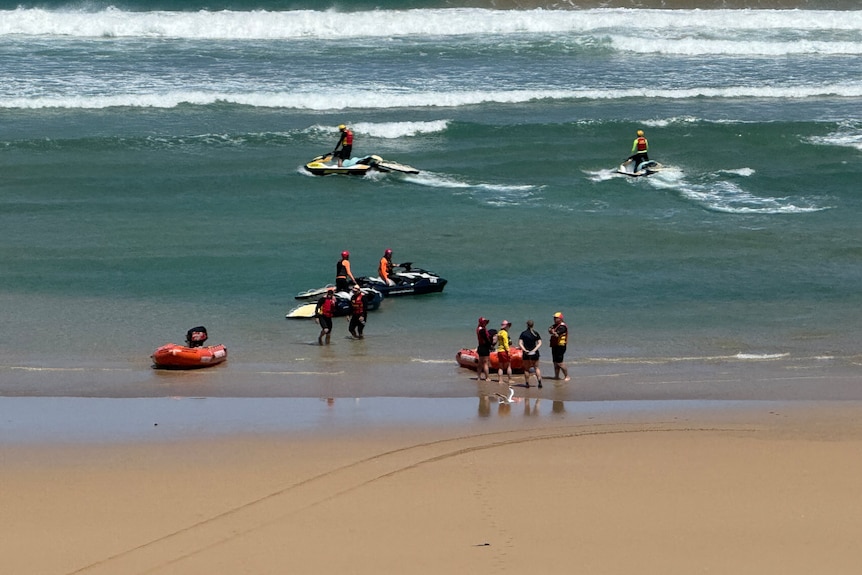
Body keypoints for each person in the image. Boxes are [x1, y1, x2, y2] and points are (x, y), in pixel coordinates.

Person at [518, 319, 542, 388]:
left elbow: (520, 343)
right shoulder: (535, 333)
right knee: (536, 368)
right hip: (534, 353)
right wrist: (534, 349)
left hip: (526, 353)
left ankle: (527, 383)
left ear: (527, 325)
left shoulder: (523, 333)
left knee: (526, 369)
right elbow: (540, 343)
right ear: (533, 325)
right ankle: (539, 382)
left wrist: (524, 350)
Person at [548, 312, 571, 382]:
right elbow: (549, 329)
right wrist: (551, 330)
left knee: (560, 362)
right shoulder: (555, 325)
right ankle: (556, 376)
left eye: (556, 318)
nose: (554, 319)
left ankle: (567, 376)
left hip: (561, 346)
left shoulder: (562, 327)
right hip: (554, 345)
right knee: (555, 362)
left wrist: (552, 331)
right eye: (554, 318)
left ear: (560, 319)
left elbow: (556, 334)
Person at [496, 320, 514, 384]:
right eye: (508, 326)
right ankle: (510, 379)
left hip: (499, 350)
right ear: (506, 326)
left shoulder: (499, 332)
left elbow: (498, 341)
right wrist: (508, 351)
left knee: (500, 366)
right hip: (504, 351)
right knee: (508, 365)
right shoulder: (505, 333)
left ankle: (500, 380)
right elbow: (506, 343)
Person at [476, 317, 493, 381]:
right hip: (484, 347)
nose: (485, 323)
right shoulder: (482, 330)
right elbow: (485, 338)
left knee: (480, 363)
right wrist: (490, 345)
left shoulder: (479, 328)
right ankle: (487, 377)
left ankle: (478, 377)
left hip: (480, 346)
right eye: (484, 322)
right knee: (485, 363)